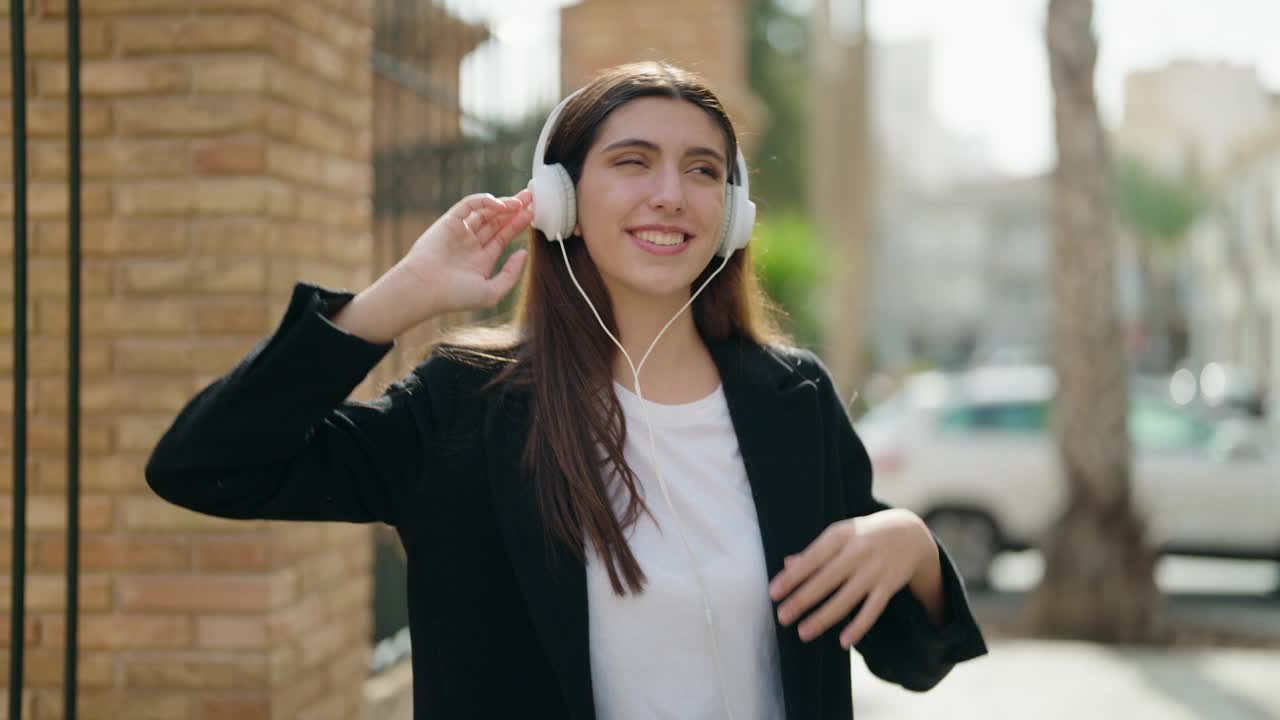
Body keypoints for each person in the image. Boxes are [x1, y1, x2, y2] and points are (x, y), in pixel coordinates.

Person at [146, 61, 987, 719]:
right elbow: (206, 464)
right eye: (633, 162)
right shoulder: (465, 408)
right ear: (560, 201)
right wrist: (396, 299)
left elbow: (910, 659)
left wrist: (911, 546)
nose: (670, 192)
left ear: (731, 215)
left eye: (703, 170)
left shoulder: (792, 401)